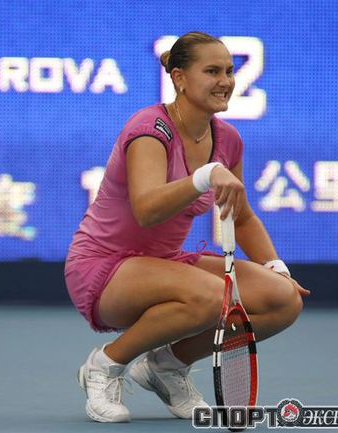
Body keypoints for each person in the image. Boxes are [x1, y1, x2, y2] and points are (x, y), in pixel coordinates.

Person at [64, 31, 310, 423]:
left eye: (229, 71)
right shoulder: (150, 129)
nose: (226, 81)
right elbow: (146, 210)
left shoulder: (227, 139)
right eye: (212, 71)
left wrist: (276, 268)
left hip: (167, 263)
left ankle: (166, 365)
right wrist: (204, 176)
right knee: (213, 296)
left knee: (283, 301)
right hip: (103, 268)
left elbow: (242, 216)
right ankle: (105, 364)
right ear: (179, 78)